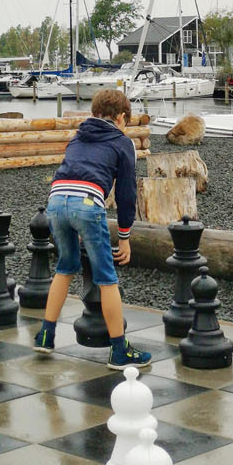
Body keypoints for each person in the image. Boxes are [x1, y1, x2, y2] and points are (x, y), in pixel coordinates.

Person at [33, 88, 151, 369]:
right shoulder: (123, 142)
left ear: (94, 114)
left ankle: (45, 335)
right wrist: (124, 237)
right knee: (106, 277)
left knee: (65, 266)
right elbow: (125, 194)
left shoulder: (77, 137)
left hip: (56, 200)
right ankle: (119, 351)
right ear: (122, 117)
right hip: (86, 203)